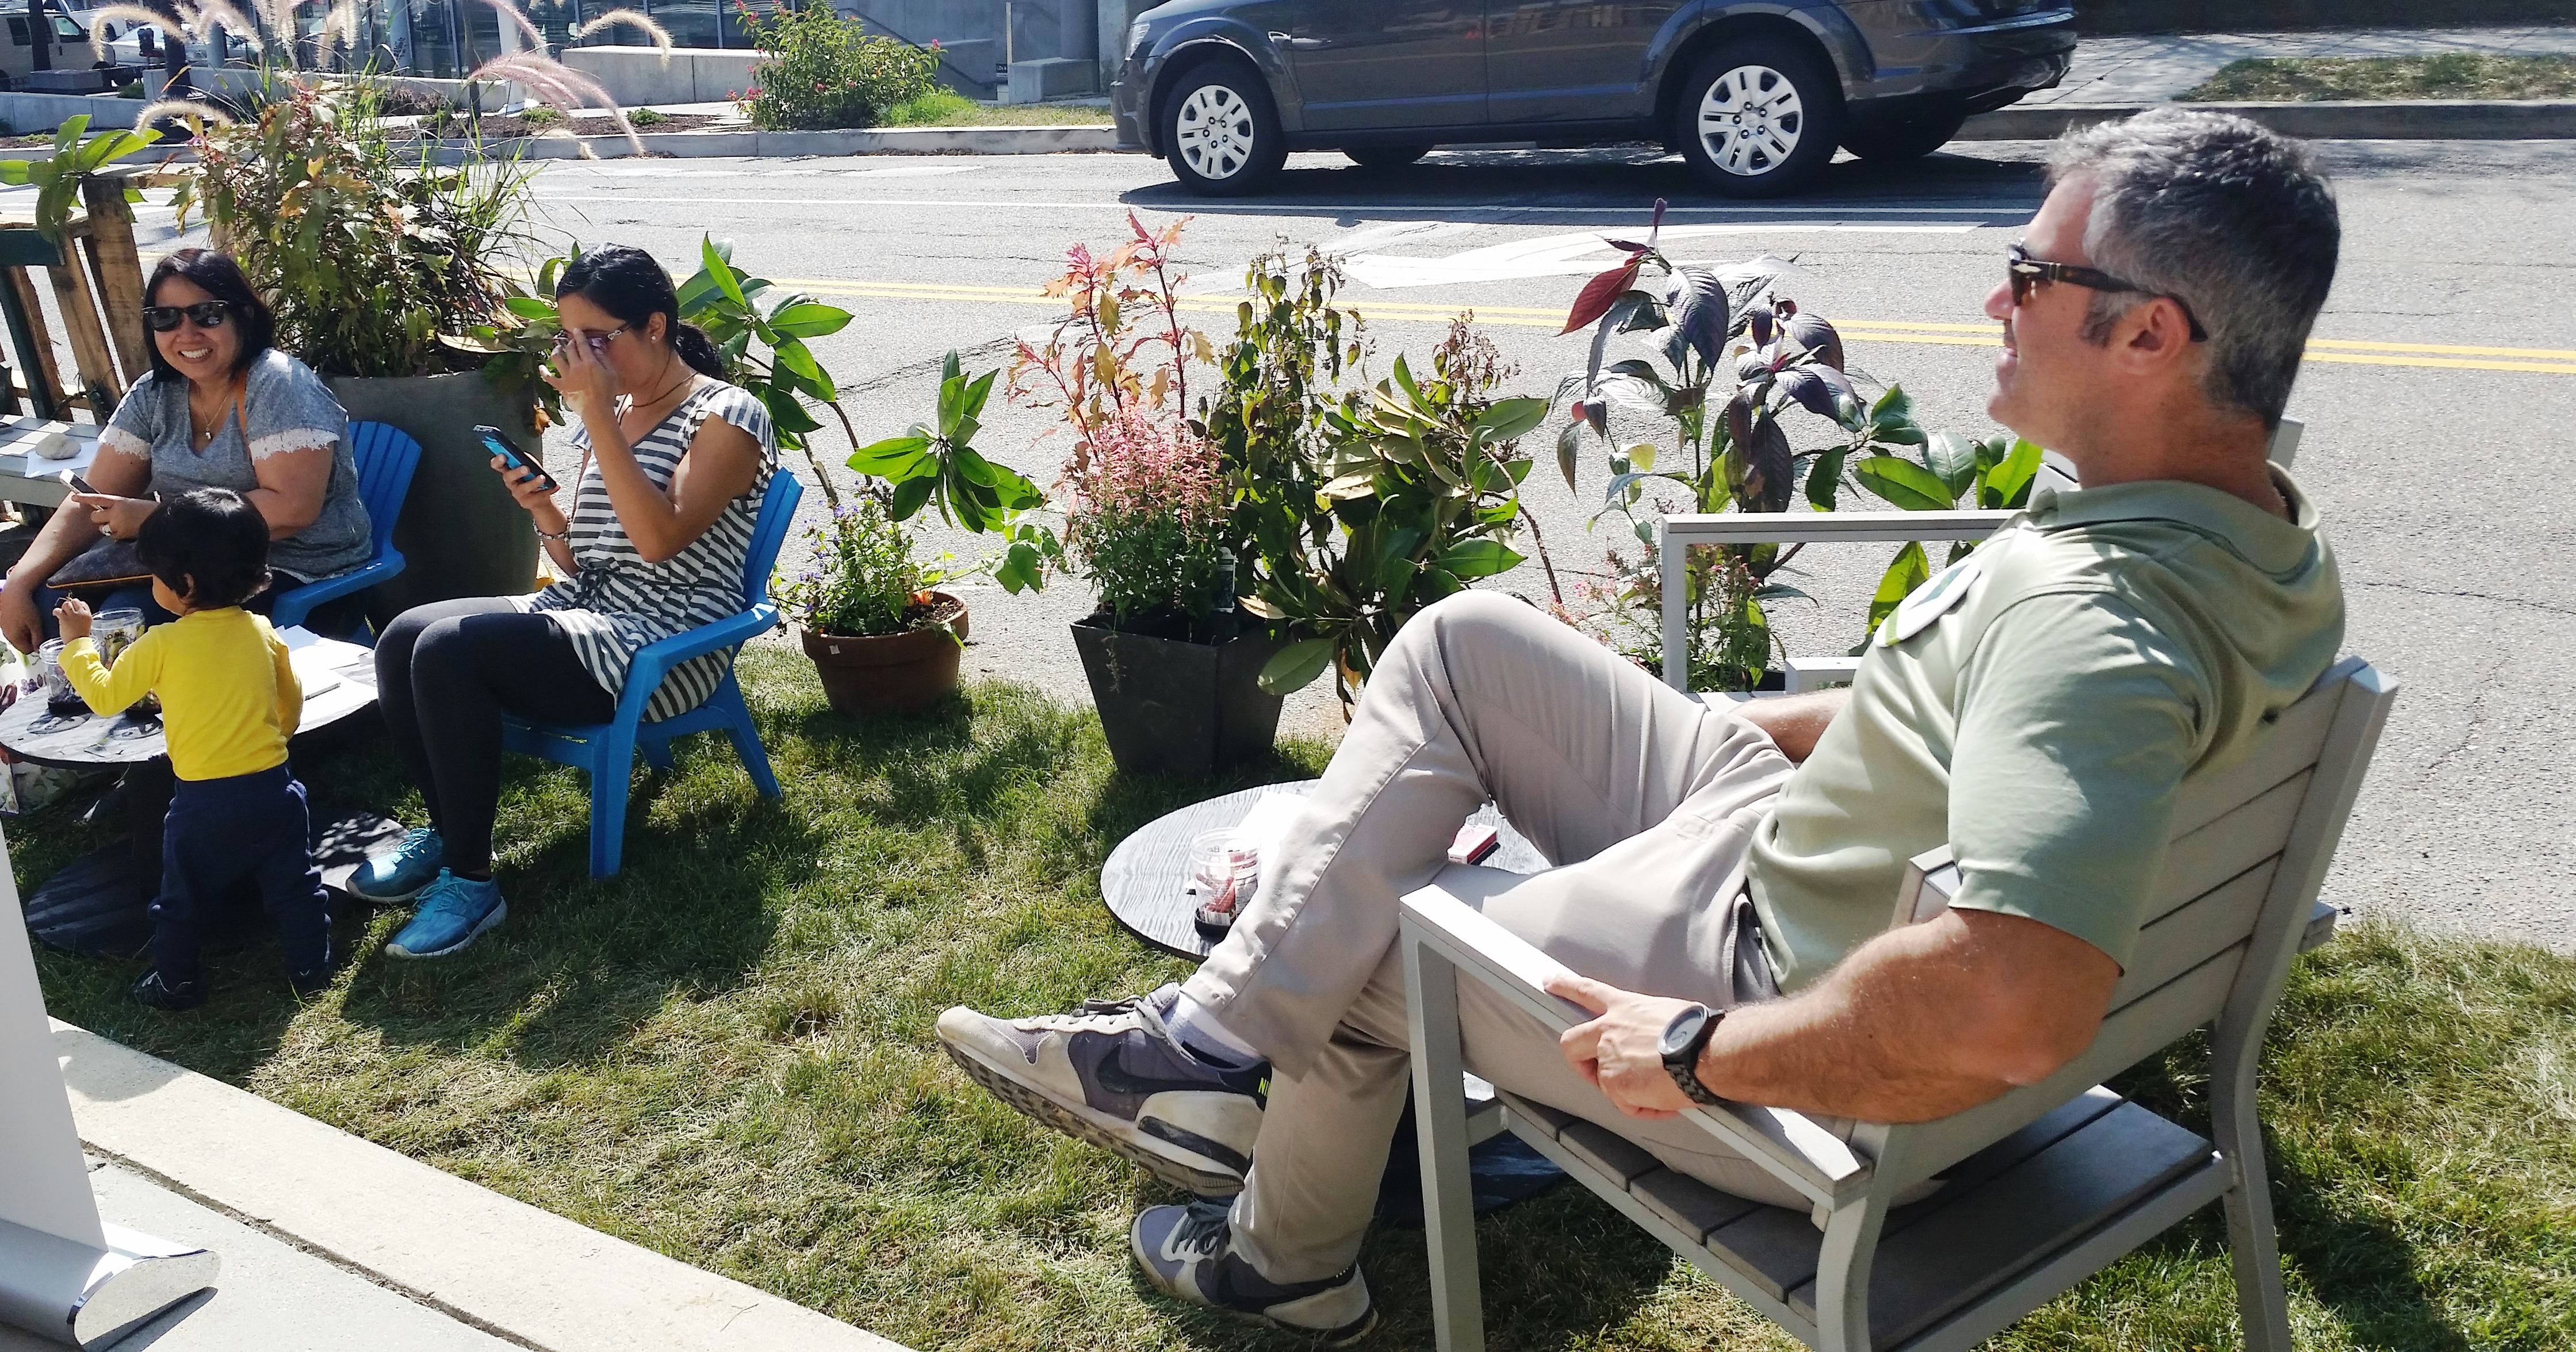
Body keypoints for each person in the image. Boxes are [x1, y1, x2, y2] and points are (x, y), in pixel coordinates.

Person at [934, 107, 2349, 1343]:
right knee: (1466, 643)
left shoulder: (2092, 621)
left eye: (2034, 273)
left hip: (1763, 973)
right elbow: (1958, 720)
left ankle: (1277, 1255)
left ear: (2149, 332)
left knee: (1383, 924)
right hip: (1793, 847)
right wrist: (1710, 722)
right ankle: (1210, 1046)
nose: (1998, 299)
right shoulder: (2252, 545)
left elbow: (2010, 1001)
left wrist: (1698, 1049)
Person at [352, 244, 778, 959]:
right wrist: (546, 512)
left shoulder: (726, 414)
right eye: (570, 339)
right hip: (592, 613)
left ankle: (471, 881)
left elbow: (660, 544)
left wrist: (601, 421)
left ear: (655, 326)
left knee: (452, 649)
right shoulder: (614, 414)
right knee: (403, 633)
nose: (583, 357)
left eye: (598, 338)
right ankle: (449, 831)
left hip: (665, 642)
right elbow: (590, 559)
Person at [0, 248, 371, 653]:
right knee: (49, 605)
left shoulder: (278, 384)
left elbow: (292, 509)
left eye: (207, 314)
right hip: (189, 563)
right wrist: (18, 582)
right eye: (166, 318)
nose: (187, 333)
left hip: (290, 565)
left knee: (125, 623)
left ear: (243, 315)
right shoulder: (156, 393)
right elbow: (88, 500)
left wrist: (161, 519)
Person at [55, 489, 334, 1012]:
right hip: (274, 787)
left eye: (154, 576)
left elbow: (106, 695)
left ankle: (176, 983)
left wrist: (78, 644)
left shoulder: (161, 643)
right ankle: (310, 968)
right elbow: (289, 707)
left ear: (182, 584)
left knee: (180, 899)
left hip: (202, 801)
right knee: (295, 883)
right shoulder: (261, 631)